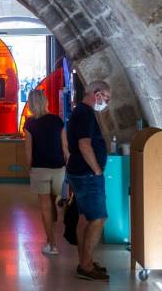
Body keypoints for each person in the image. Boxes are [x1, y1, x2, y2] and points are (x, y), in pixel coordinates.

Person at [66, 81, 111, 281]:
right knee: (98, 218)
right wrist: (97, 170)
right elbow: (84, 145)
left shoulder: (80, 112)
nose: (107, 102)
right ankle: (85, 266)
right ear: (97, 94)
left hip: (79, 172)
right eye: (106, 98)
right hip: (88, 174)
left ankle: (86, 261)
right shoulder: (85, 113)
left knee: (85, 218)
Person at [24, 89, 69, 256]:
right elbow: (64, 146)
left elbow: (28, 150)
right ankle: (52, 234)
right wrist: (67, 161)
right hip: (58, 168)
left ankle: (52, 244)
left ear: (31, 103)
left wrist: (29, 168)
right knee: (52, 201)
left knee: (45, 207)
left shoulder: (30, 124)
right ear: (45, 101)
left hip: (40, 168)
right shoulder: (57, 120)